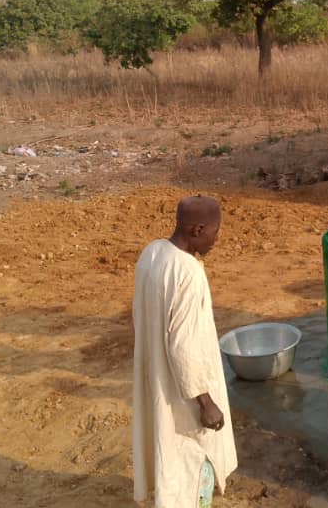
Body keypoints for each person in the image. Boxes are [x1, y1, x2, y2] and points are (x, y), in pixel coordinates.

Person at [131, 195, 237, 508]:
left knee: (168, 451)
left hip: (159, 376)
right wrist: (205, 402)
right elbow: (183, 345)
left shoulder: (152, 253)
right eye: (215, 233)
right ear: (197, 230)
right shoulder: (188, 272)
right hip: (185, 390)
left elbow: (142, 314)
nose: (216, 240)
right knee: (194, 453)